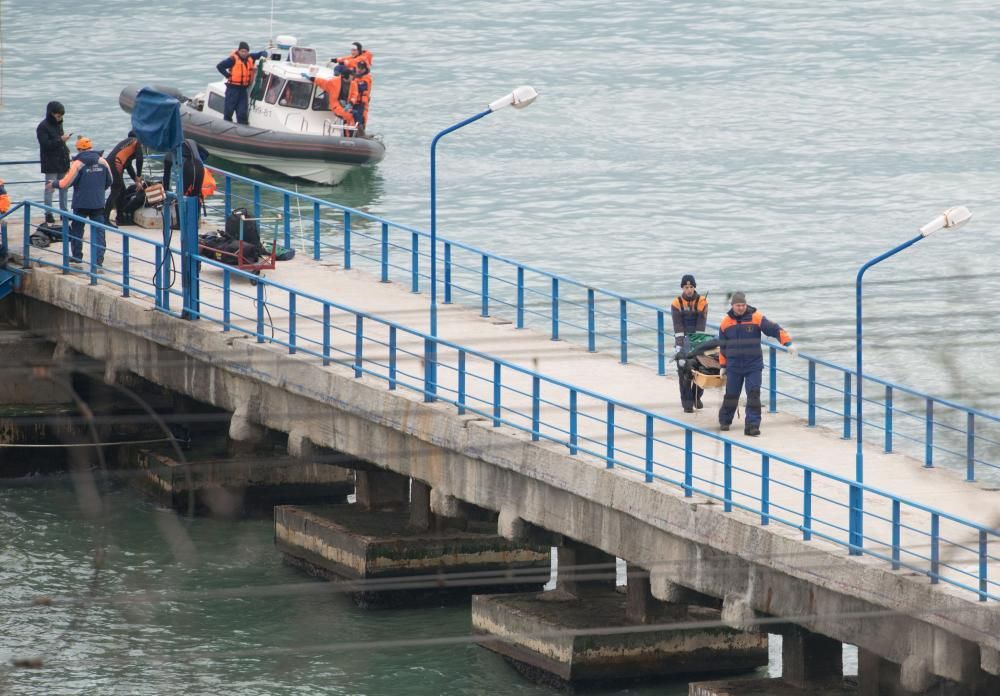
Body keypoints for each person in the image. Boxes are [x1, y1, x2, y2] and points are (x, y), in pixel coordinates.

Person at [717, 291, 797, 436]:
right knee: (731, 395)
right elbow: (723, 347)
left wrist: (788, 343)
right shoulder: (725, 323)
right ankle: (725, 420)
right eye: (737, 305)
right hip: (734, 366)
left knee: (753, 394)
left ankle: (752, 425)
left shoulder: (756, 318)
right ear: (732, 306)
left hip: (753, 365)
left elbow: (775, 329)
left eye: (743, 305)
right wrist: (723, 366)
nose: (740, 308)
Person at [47, 137, 112, 268]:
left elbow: (65, 183)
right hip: (98, 203)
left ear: (78, 149)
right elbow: (110, 181)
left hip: (81, 203)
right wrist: (99, 191)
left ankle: (77, 256)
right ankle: (98, 260)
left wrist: (53, 183)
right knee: (99, 231)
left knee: (77, 229)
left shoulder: (77, 164)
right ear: (91, 147)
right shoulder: (103, 161)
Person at [671, 274, 708, 413]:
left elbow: (701, 325)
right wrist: (680, 347)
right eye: (686, 287)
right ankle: (686, 402)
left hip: (698, 339)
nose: (689, 290)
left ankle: (696, 397)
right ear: (682, 288)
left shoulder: (702, 302)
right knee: (683, 372)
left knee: (702, 370)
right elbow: (678, 326)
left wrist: (696, 345)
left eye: (691, 287)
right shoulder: (676, 303)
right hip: (682, 340)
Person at [36, 101, 71, 225]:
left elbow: (59, 143)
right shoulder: (43, 127)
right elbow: (45, 145)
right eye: (58, 115)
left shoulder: (58, 124)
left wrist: (63, 144)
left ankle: (64, 212)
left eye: (61, 116)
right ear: (51, 114)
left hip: (62, 160)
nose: (60, 118)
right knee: (50, 189)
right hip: (50, 162)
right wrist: (60, 140)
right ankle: (48, 213)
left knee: (64, 187)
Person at [216, 41, 268, 124]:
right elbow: (220, 66)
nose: (244, 53)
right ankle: (226, 126)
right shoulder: (232, 59)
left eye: (246, 51)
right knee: (229, 111)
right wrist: (227, 75)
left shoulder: (251, 57)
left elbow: (263, 52)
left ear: (248, 52)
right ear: (239, 51)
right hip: (232, 89)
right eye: (242, 51)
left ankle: (243, 128)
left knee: (242, 112)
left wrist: (263, 56)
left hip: (243, 90)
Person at [103, 130, 144, 226]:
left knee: (122, 191)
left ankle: (120, 218)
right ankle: (105, 218)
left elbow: (128, 165)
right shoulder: (136, 141)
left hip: (111, 164)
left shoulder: (128, 144)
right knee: (116, 190)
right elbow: (140, 159)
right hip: (115, 164)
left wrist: (136, 180)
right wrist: (138, 176)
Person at [304, 66, 356, 133]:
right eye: (351, 75)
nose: (353, 77)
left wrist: (350, 103)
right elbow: (322, 82)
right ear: (347, 76)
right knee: (348, 115)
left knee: (355, 115)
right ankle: (348, 133)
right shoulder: (334, 82)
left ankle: (351, 133)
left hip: (347, 104)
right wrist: (310, 78)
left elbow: (355, 95)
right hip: (336, 104)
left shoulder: (354, 84)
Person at [348, 61, 373, 132]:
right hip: (353, 102)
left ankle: (359, 132)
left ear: (365, 69)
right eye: (358, 68)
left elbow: (361, 87)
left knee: (360, 119)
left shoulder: (366, 78)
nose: (359, 70)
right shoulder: (356, 76)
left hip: (361, 104)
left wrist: (351, 81)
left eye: (361, 68)